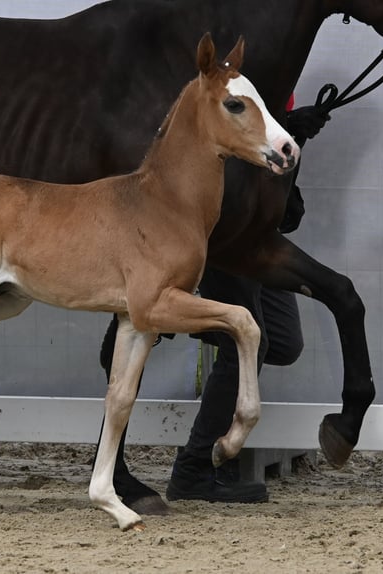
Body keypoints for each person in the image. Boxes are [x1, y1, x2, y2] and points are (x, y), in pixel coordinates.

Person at [99, 96, 332, 504]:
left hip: (257, 235)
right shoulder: (235, 87)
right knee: (243, 341)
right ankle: (193, 469)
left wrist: (293, 135)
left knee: (284, 342)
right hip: (224, 233)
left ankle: (174, 317)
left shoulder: (279, 90)